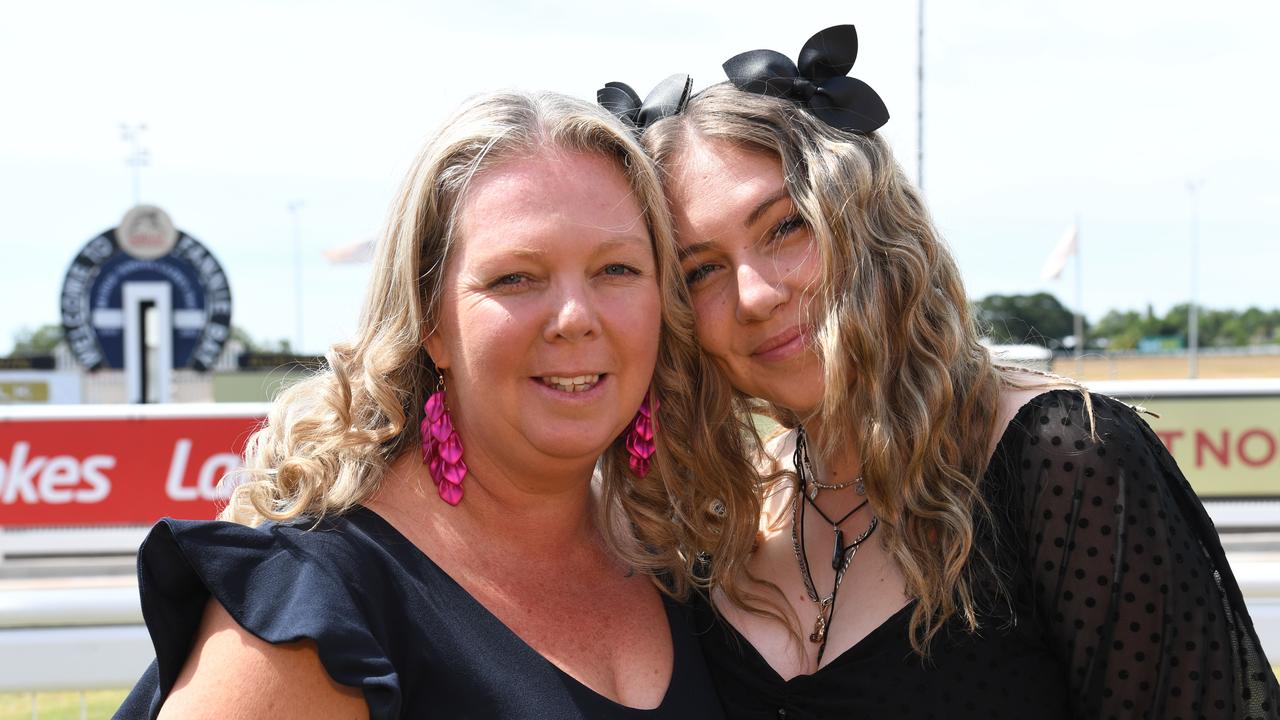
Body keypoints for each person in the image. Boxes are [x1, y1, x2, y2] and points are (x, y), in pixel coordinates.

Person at [635, 25, 1280, 719]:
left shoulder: (1066, 459)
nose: (755, 295)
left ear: (866, 221)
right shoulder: (724, 521)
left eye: (786, 227)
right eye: (701, 269)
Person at [114, 90, 738, 719]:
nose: (575, 318)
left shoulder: (692, 567)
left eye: (618, 270)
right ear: (431, 323)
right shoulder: (317, 603)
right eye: (515, 278)